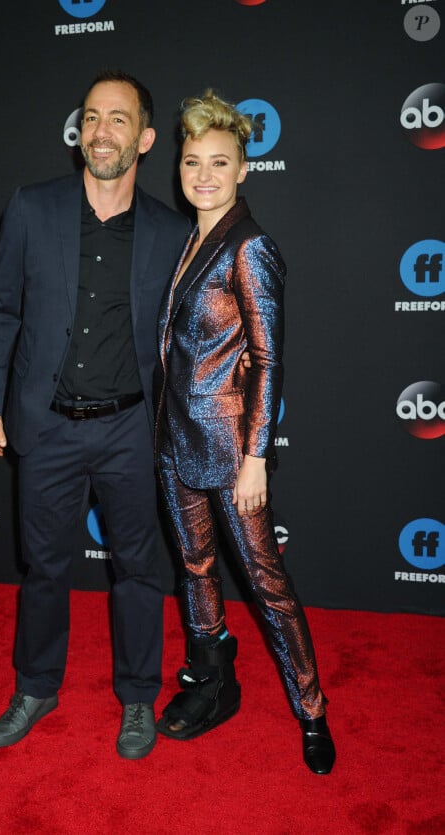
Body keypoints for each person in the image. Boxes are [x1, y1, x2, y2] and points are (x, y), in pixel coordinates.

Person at [0, 70, 191, 760]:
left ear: (146, 138)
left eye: (119, 120)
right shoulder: (32, 210)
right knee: (43, 566)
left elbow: (187, 339)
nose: (101, 131)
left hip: (131, 426)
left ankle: (136, 698)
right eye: (92, 117)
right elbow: (0, 309)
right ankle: (36, 685)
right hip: (49, 423)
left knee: (138, 569)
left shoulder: (170, 231)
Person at [154, 90, 336, 775]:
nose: (203, 174)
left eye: (219, 161)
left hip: (232, 451)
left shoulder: (251, 245)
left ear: (243, 169)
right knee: (195, 568)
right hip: (173, 441)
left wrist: (257, 456)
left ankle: (312, 709)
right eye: (193, 160)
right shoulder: (189, 238)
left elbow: (269, 358)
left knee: (268, 584)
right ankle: (211, 677)